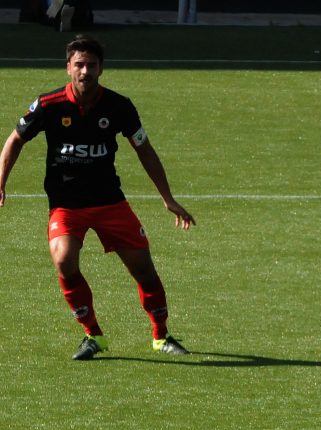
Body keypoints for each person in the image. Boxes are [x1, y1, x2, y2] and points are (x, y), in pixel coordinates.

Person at [0, 34, 195, 360]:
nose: (85, 71)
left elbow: (144, 149)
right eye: (79, 65)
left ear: (101, 68)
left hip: (110, 203)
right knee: (64, 260)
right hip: (66, 206)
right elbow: (14, 140)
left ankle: (161, 336)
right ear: (68, 68)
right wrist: (1, 181)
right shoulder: (48, 105)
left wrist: (167, 197)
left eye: (91, 65)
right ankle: (93, 335)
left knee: (144, 270)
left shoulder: (119, 106)